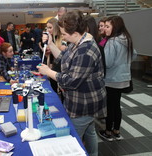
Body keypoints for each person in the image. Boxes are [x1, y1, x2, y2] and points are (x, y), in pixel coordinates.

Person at [37, 10, 107, 156]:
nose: (62, 36)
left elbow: (71, 81)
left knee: (71, 138)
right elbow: (63, 57)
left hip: (84, 102)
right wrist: (51, 44)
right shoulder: (78, 41)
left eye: (64, 34)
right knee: (90, 131)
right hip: (83, 99)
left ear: (75, 33)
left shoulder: (85, 50)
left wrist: (49, 72)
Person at [98, 16, 137, 141]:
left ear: (115, 27)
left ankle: (108, 132)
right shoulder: (127, 39)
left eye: (108, 26)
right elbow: (134, 55)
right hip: (124, 78)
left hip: (112, 79)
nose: (105, 29)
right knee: (117, 105)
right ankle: (117, 131)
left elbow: (108, 63)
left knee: (110, 106)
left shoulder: (112, 41)